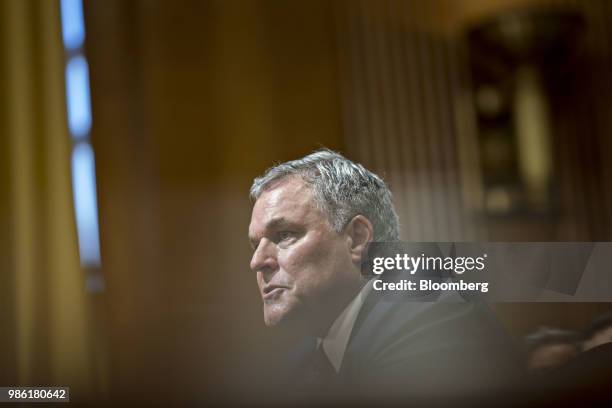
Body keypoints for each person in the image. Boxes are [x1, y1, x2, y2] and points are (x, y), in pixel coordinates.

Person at [247, 149, 520, 403]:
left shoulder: (435, 315)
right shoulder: (302, 363)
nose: (257, 262)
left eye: (284, 235)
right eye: (254, 244)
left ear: (357, 239)